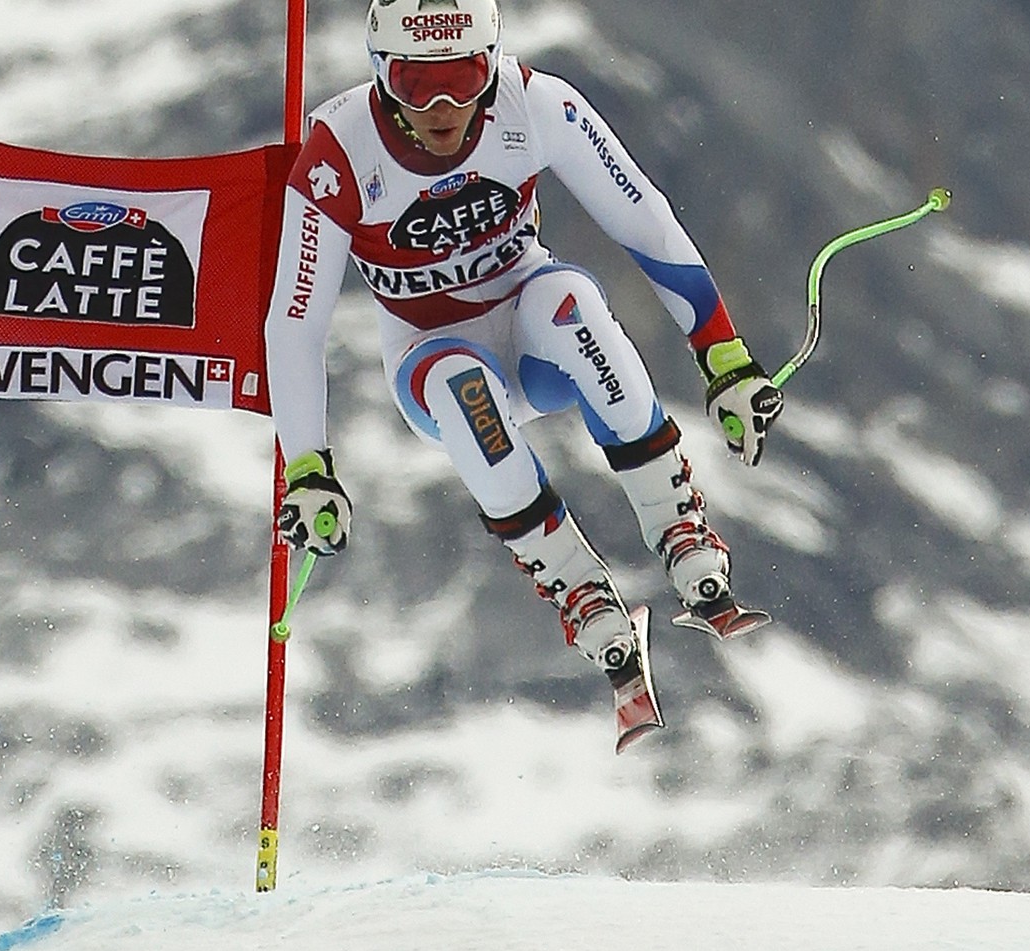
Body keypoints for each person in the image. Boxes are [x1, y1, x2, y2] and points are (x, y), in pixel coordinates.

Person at [264, 0, 783, 737]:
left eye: (466, 76)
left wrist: (724, 355)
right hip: (430, 352)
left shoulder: (536, 103)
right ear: (382, 77)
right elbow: (295, 320)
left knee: (569, 300)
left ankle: (679, 526)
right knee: (460, 383)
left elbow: (644, 219)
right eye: (418, 85)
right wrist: (308, 467)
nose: (444, 107)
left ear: (494, 62)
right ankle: (577, 589)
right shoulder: (338, 151)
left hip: (532, 321)